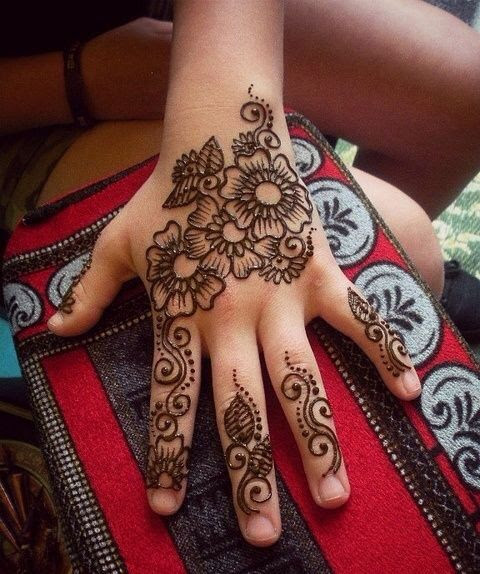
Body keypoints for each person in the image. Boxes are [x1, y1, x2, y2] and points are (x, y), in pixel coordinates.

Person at [1, 0, 480, 548]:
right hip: (26, 94)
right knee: (404, 240)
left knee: (466, 94)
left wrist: (222, 87)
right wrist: (76, 80)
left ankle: (318, 311)